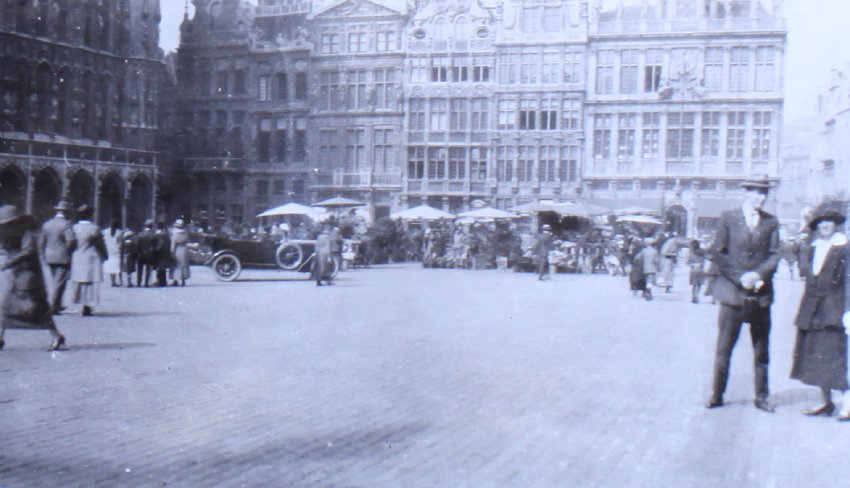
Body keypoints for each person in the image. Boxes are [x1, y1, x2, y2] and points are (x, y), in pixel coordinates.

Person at [705, 174, 780, 413]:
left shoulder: (771, 222)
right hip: (732, 296)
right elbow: (718, 253)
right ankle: (717, 394)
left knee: (761, 349)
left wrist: (757, 275)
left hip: (760, 297)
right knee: (724, 348)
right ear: (745, 193)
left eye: (764, 193)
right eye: (756, 192)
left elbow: (775, 254)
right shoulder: (728, 218)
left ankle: (762, 396)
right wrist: (740, 277)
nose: (760, 197)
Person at [790, 203, 850, 420]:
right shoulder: (814, 247)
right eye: (820, 222)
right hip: (813, 310)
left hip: (833, 311)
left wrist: (848, 311)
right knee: (816, 357)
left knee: (836, 358)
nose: (825, 225)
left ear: (835, 224)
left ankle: (847, 405)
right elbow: (806, 273)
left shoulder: (844, 247)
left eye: (829, 221)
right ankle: (826, 403)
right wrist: (802, 247)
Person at [0, 205, 65, 351]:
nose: (6, 226)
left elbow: (29, 251)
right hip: (15, 275)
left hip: (29, 276)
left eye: (9, 223)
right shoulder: (8, 234)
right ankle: (0, 338)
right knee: (5, 306)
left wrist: (9, 262)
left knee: (38, 308)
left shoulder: (27, 233)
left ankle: (56, 336)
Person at [38, 198, 76, 314]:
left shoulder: (47, 224)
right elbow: (71, 240)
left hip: (49, 256)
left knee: (54, 281)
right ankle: (53, 307)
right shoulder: (66, 224)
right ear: (66, 212)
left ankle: (57, 304)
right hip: (62, 257)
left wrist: (43, 254)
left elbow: (41, 242)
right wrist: (69, 251)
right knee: (59, 283)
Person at [70, 204, 107, 317]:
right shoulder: (95, 228)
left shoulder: (74, 228)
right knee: (89, 282)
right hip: (91, 258)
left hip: (77, 257)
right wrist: (105, 255)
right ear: (90, 216)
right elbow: (100, 244)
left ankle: (80, 303)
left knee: (79, 281)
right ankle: (87, 306)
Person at [170, 219, 190, 286]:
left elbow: (173, 243)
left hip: (177, 249)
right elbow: (187, 240)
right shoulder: (185, 232)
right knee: (183, 265)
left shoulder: (175, 233)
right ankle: (183, 280)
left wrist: (172, 251)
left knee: (176, 265)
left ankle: (176, 280)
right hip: (184, 249)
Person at [102, 219, 123, 287]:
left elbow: (104, 240)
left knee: (111, 266)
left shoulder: (106, 231)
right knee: (117, 266)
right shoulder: (118, 232)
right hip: (116, 251)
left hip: (109, 250)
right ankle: (119, 281)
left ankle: (112, 281)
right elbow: (120, 242)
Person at [136, 219, 156, 287]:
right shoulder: (153, 235)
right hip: (149, 254)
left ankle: (138, 283)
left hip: (141, 253)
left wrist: (139, 251)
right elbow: (155, 245)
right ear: (151, 226)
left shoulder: (140, 234)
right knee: (148, 268)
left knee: (140, 268)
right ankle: (146, 283)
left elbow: (137, 244)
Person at [687, 240, 706, 304]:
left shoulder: (690, 252)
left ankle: (693, 296)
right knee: (699, 284)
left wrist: (691, 264)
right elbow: (704, 260)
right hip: (700, 268)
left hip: (693, 269)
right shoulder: (702, 252)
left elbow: (687, 262)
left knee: (694, 284)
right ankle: (697, 295)